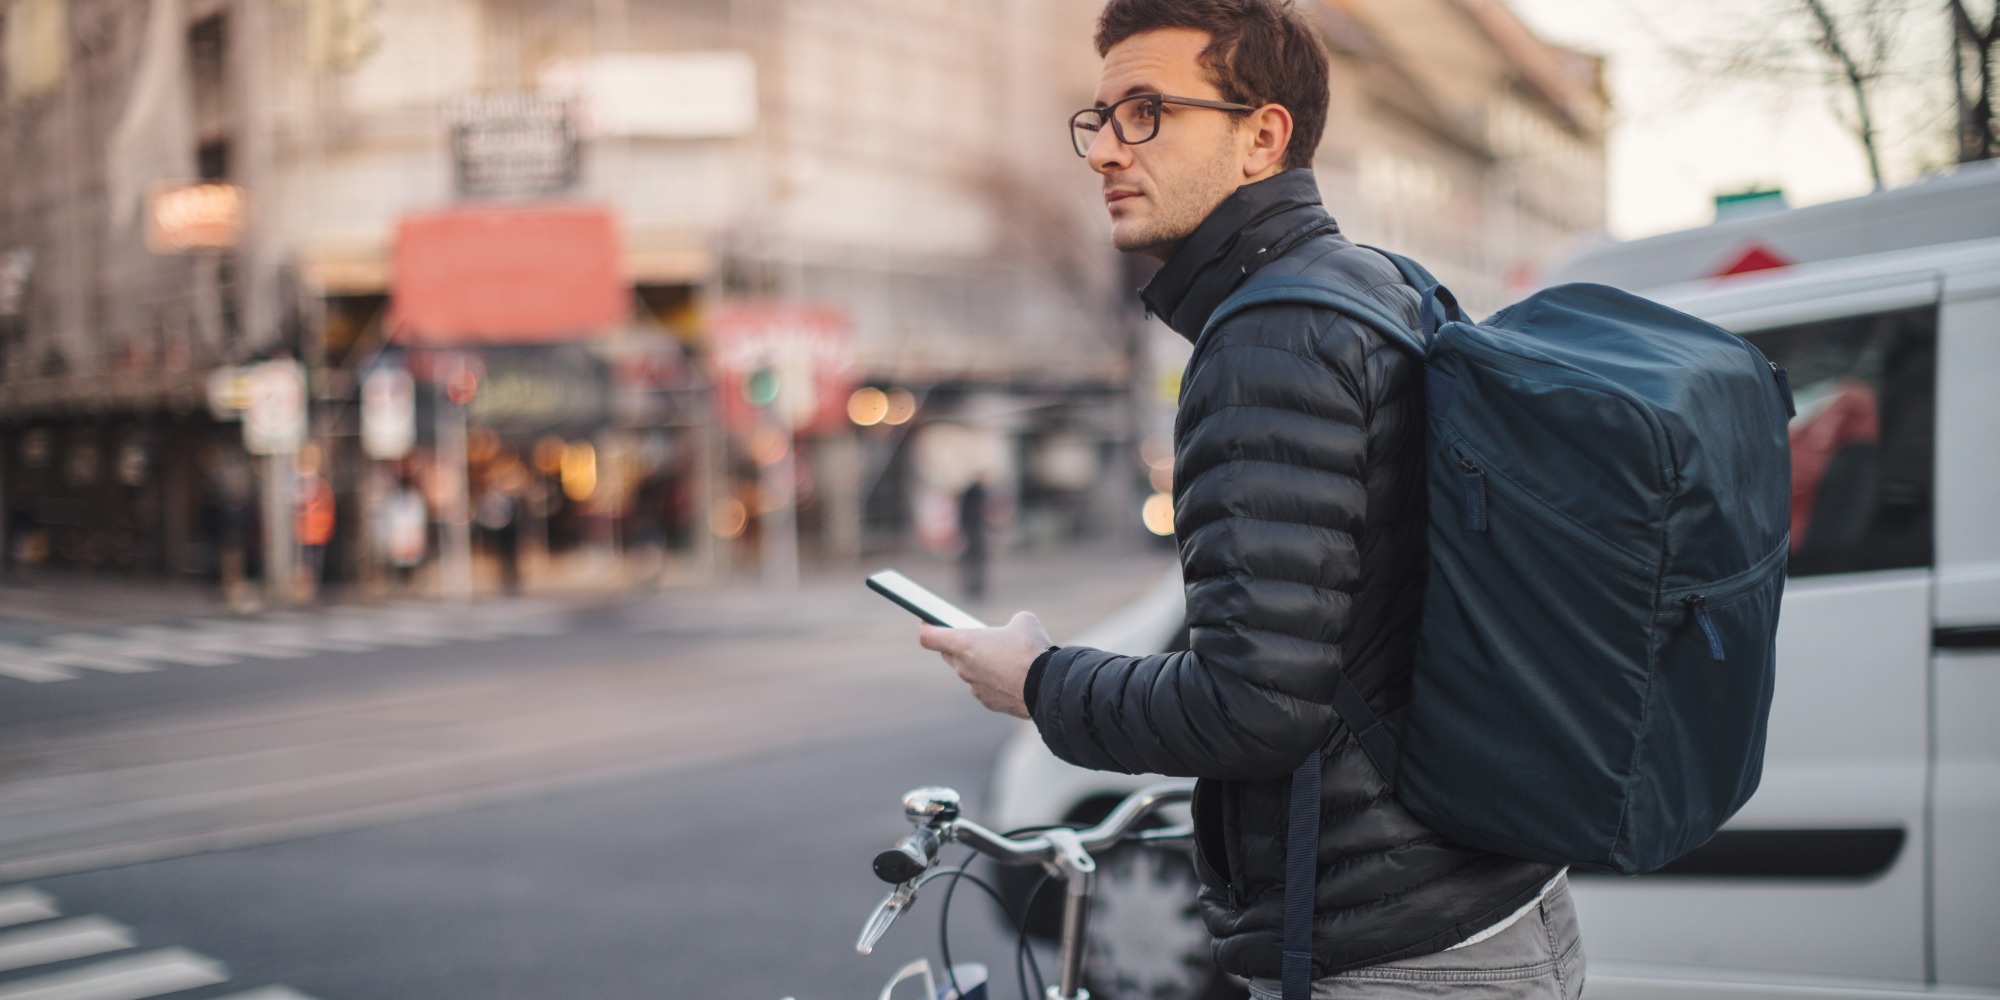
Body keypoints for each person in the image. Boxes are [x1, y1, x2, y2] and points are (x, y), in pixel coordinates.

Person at [916, 2, 1581, 997]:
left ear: (1259, 135)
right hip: (1483, 898)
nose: (1104, 151)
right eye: (1097, 118)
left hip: (1394, 952)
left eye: (1147, 113)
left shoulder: (1268, 342)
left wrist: (1038, 680)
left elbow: (1252, 705)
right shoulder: (1382, 287)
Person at [956, 477, 990, 602]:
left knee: (974, 562)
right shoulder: (974, 495)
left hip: (972, 532)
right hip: (974, 533)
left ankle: (975, 587)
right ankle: (974, 587)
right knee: (974, 562)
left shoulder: (971, 495)